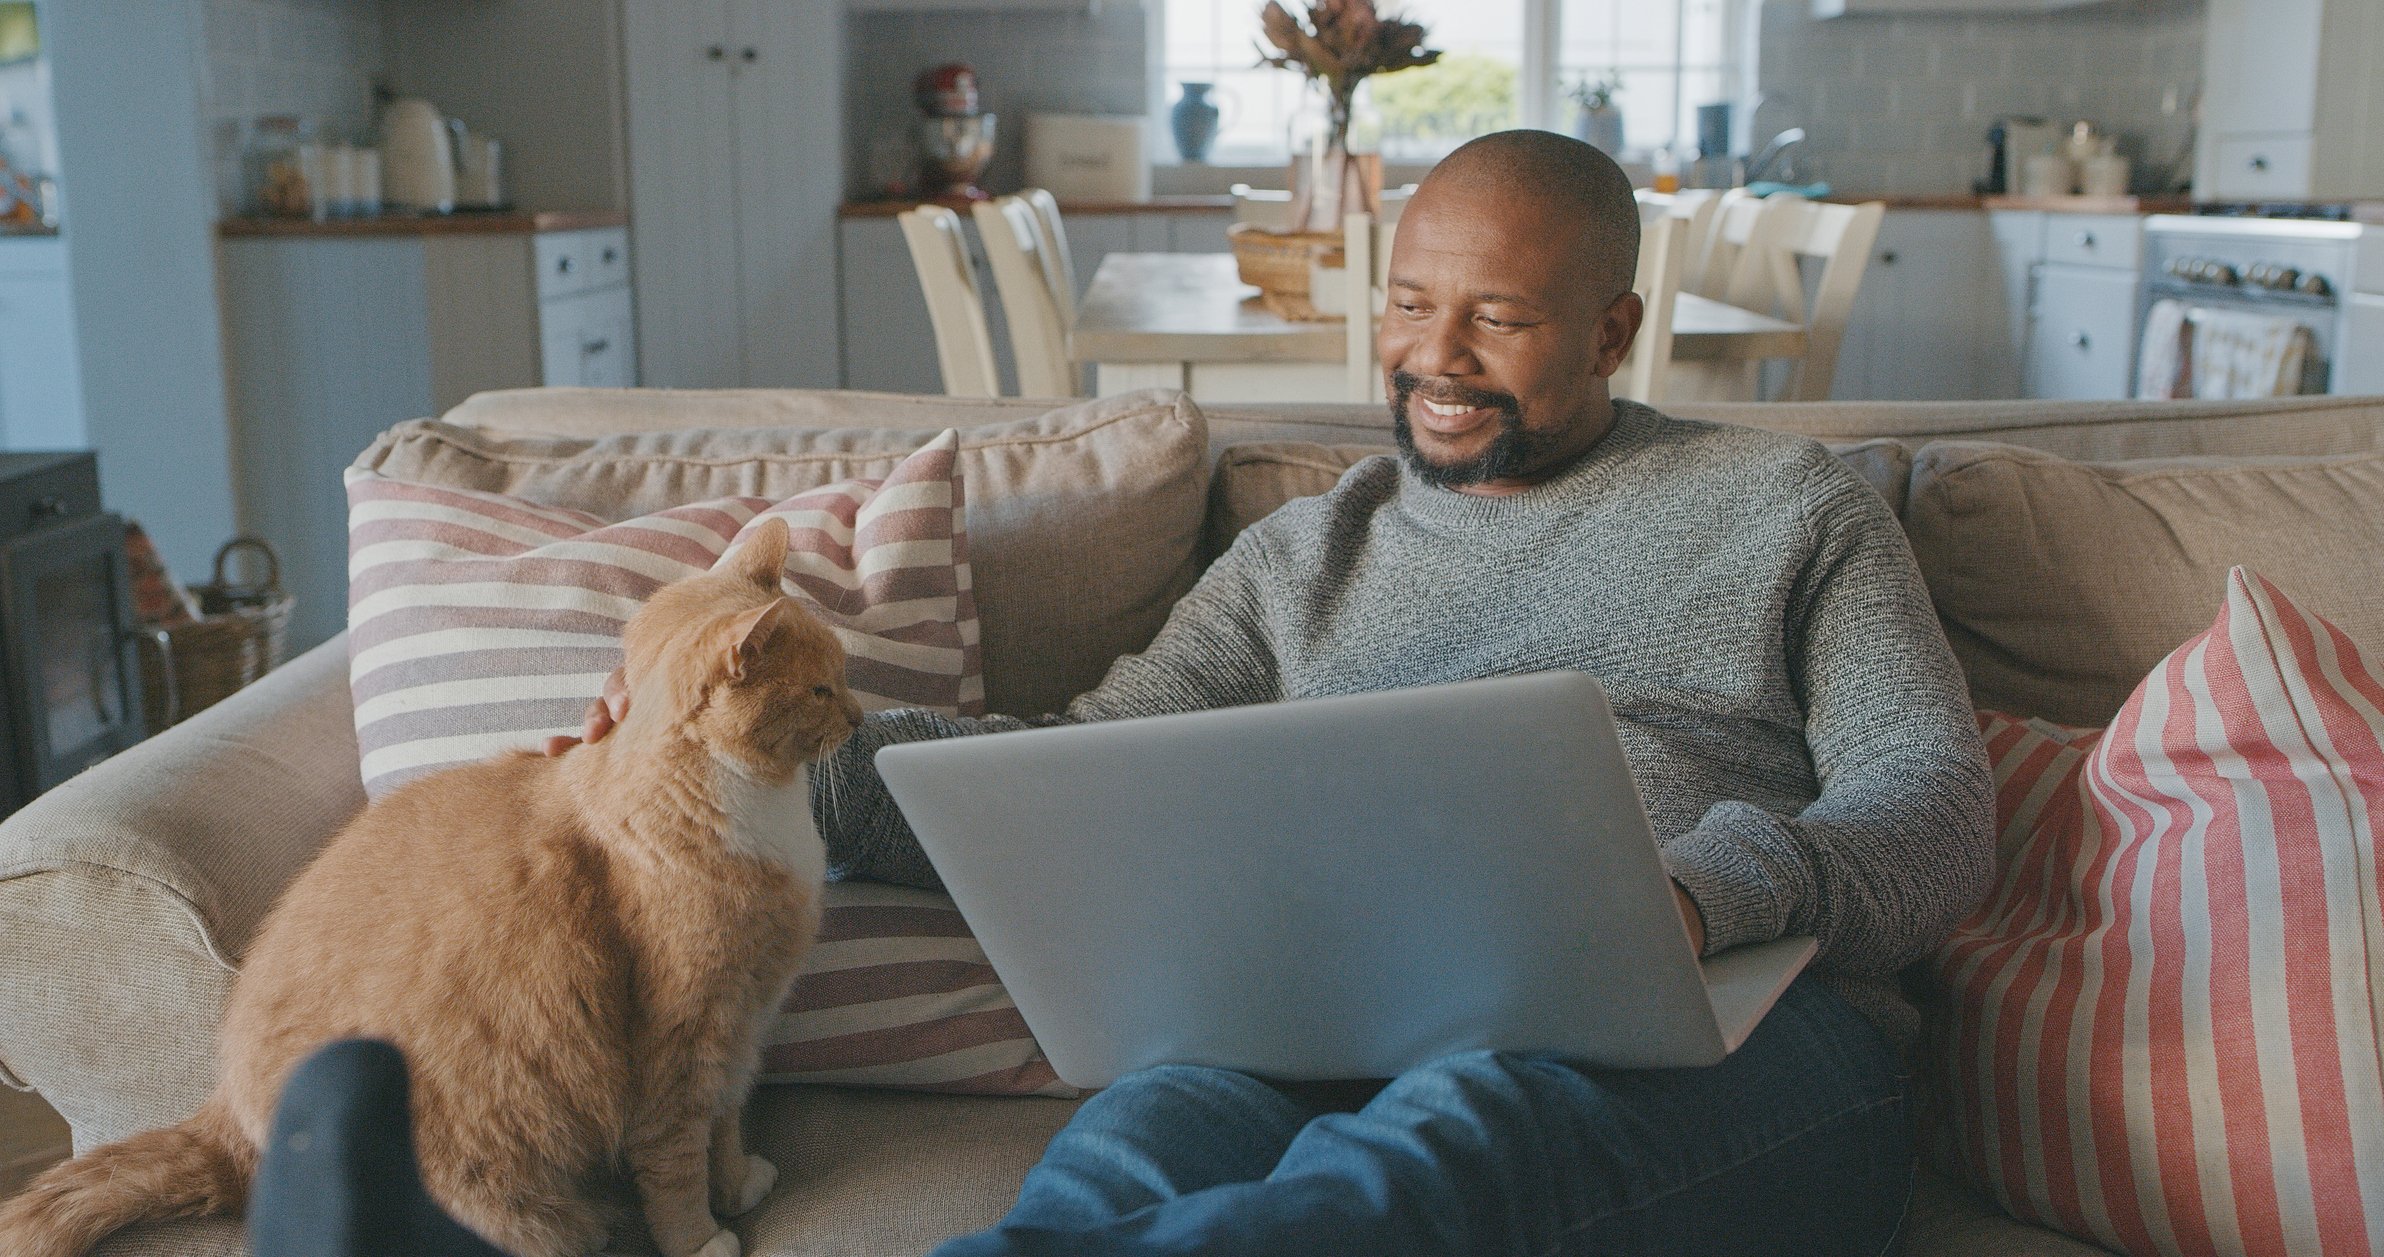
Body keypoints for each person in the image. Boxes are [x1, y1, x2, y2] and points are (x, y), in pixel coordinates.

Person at [559, 130, 1995, 1256]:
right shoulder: (1304, 554)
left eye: (1496, 319)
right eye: (1412, 306)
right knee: (1130, 1152)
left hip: (1732, 1038)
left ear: (1613, 330)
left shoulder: (1788, 507)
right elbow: (1082, 770)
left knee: (1445, 1144)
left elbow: (1933, 807)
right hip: (1314, 1033)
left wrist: (1694, 895)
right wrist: (725, 762)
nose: (1437, 358)